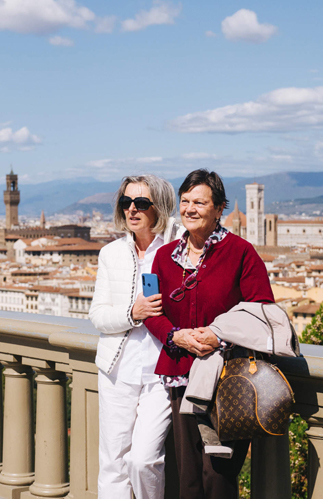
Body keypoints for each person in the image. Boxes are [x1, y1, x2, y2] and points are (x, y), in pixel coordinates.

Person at [145, 169, 275, 499]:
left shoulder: (241, 253)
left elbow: (263, 312)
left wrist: (219, 337)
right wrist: (175, 336)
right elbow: (151, 314)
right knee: (187, 475)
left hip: (227, 380)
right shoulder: (163, 257)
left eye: (199, 202)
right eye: (185, 201)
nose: (189, 208)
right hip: (182, 379)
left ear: (219, 209)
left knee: (218, 475)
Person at [89, 175, 183, 499]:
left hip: (162, 371)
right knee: (113, 464)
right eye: (126, 202)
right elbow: (98, 315)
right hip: (118, 369)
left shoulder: (178, 251)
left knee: (144, 460)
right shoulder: (111, 254)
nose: (132, 209)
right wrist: (134, 312)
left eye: (141, 203)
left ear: (160, 207)